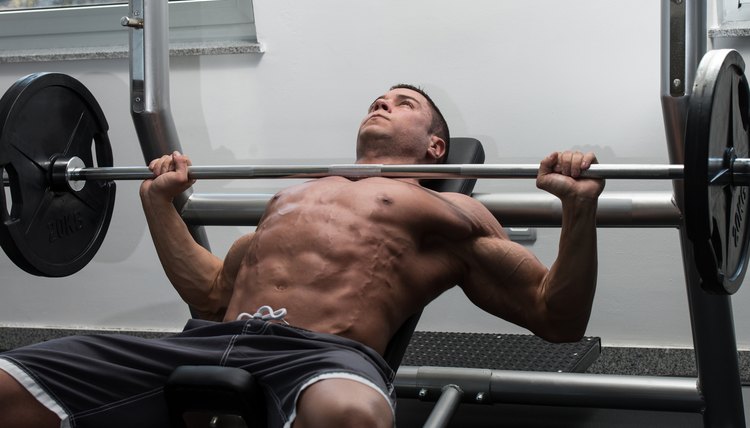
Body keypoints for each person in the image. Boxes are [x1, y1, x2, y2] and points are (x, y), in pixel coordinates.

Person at [0, 84, 604, 428]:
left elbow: (557, 317)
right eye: (377, 98)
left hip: (323, 354)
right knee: (7, 384)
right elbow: (212, 293)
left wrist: (579, 211)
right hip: (205, 341)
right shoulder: (297, 193)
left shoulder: (449, 213)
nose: (381, 103)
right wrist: (159, 207)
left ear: (435, 145)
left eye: (402, 102)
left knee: (351, 416)